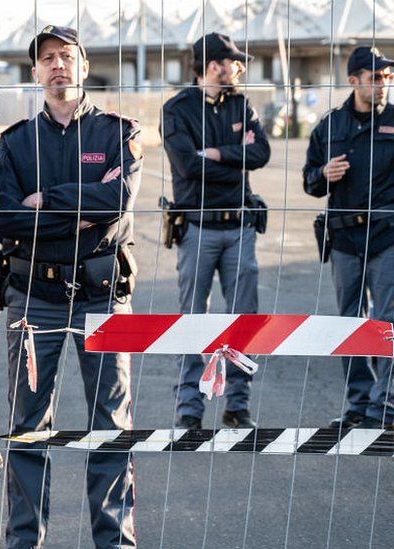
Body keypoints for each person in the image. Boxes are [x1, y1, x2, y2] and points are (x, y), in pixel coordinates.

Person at [0, 25, 141, 549]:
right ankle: (24, 541)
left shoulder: (117, 133)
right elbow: (8, 221)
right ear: (35, 72)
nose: (58, 65)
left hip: (103, 298)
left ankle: (115, 542)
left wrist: (44, 202)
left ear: (83, 64)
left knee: (111, 425)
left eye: (67, 56)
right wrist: (79, 207)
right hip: (34, 298)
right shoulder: (14, 143)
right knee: (28, 429)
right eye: (47, 59)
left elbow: (115, 204)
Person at [160, 32, 271, 430]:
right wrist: (235, 163)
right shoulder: (177, 109)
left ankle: (237, 406)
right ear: (213, 65)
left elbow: (262, 154)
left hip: (240, 226)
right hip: (197, 228)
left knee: (243, 319)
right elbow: (187, 166)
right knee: (192, 318)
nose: (238, 69)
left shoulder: (241, 103)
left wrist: (220, 153)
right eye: (232, 63)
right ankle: (190, 410)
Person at [303, 45, 394, 429]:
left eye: (388, 78)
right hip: (343, 240)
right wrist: (324, 174)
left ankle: (385, 405)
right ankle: (358, 404)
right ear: (354, 80)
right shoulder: (330, 125)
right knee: (349, 325)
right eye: (375, 78)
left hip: (388, 236)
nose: (384, 84)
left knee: (387, 322)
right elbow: (309, 182)